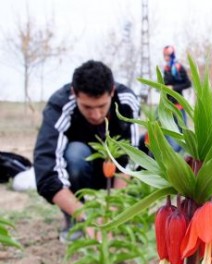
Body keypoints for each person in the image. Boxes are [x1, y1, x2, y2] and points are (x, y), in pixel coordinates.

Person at [34, 60, 140, 243]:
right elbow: (46, 171)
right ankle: (76, 218)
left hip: (114, 169)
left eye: (102, 106)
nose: (96, 115)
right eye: (88, 107)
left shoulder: (126, 101)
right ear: (74, 94)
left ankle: (125, 213)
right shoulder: (60, 105)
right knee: (75, 153)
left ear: (112, 91)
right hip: (80, 170)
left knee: (149, 154)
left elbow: (132, 157)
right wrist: (88, 219)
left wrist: (112, 214)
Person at [162, 45, 192, 125]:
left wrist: (173, 88)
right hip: (168, 105)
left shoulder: (178, 67)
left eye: (167, 55)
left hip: (178, 104)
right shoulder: (166, 68)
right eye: (164, 55)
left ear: (172, 55)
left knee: (182, 129)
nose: (165, 57)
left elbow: (188, 83)